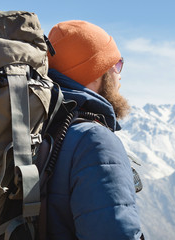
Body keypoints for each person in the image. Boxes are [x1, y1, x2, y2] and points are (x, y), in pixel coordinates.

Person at [44, 20, 144, 239]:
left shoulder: (43, 126)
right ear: (96, 72)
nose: (120, 76)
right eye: (117, 64)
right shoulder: (95, 141)